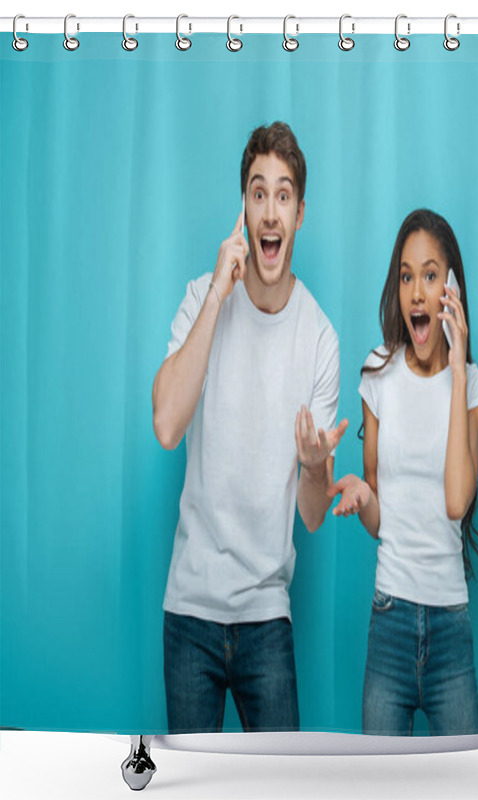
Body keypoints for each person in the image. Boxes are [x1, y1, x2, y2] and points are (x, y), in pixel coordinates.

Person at [152, 122, 348, 733]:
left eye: (283, 195)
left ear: (300, 214)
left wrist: (316, 465)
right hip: (190, 613)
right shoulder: (199, 298)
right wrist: (217, 295)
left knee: (280, 789)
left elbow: (313, 515)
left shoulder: (319, 339)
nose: (270, 210)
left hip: (268, 619)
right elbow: (166, 424)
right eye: (257, 193)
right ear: (243, 207)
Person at [328, 209, 478, 736]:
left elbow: (455, 502)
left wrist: (459, 365)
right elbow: (380, 518)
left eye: (430, 274)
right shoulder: (378, 373)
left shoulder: (477, 388)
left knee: (462, 783)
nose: (417, 292)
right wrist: (361, 495)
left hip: (450, 624)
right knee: (380, 785)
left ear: (452, 288)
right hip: (390, 616)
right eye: (405, 276)